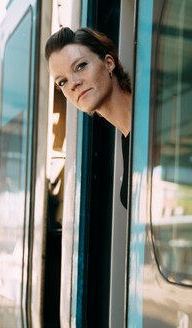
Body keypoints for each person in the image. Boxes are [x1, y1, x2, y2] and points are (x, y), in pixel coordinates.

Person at [45, 27, 132, 208]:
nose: (74, 84)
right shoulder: (127, 140)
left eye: (80, 66)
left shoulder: (151, 120)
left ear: (109, 63)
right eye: (63, 81)